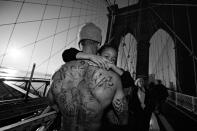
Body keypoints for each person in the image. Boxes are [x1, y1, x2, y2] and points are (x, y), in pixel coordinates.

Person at [47, 22, 128, 131]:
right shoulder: (113, 79)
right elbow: (123, 119)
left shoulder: (58, 73)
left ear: (80, 44)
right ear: (99, 45)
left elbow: (52, 103)